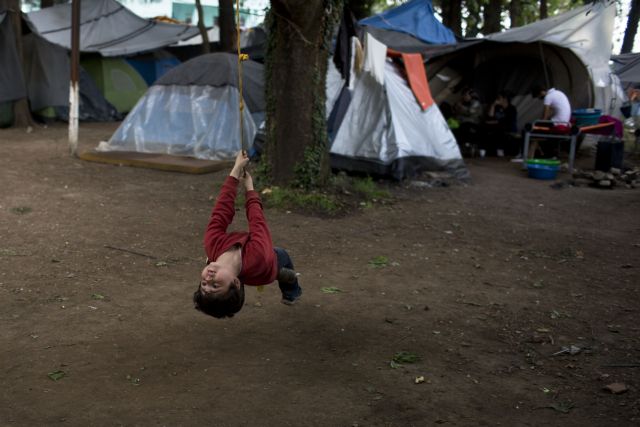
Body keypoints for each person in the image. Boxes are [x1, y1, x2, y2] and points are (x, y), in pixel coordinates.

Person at [193, 151, 302, 319]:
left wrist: (235, 171)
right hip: (265, 268)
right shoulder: (259, 255)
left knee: (230, 270)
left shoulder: (212, 245)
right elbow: (257, 222)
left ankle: (235, 275)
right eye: (215, 285)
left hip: (238, 267)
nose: (209, 277)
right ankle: (291, 290)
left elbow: (221, 211)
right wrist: (249, 188)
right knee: (283, 263)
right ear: (236, 283)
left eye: (204, 284)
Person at [528, 84, 572, 158]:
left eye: (538, 96)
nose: (539, 98)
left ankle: (530, 153)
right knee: (538, 127)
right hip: (565, 121)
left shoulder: (548, 97)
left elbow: (545, 115)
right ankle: (537, 151)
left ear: (541, 92)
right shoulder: (558, 93)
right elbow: (550, 112)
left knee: (533, 130)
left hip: (558, 122)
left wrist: (539, 122)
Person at [481, 90, 518, 157]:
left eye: (499, 98)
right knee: (484, 128)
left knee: (500, 130)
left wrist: (494, 122)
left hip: (508, 128)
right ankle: (483, 151)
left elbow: (507, 121)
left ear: (505, 99)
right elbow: (490, 116)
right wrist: (493, 105)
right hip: (496, 126)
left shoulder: (512, 108)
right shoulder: (498, 107)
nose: (497, 99)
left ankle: (500, 151)